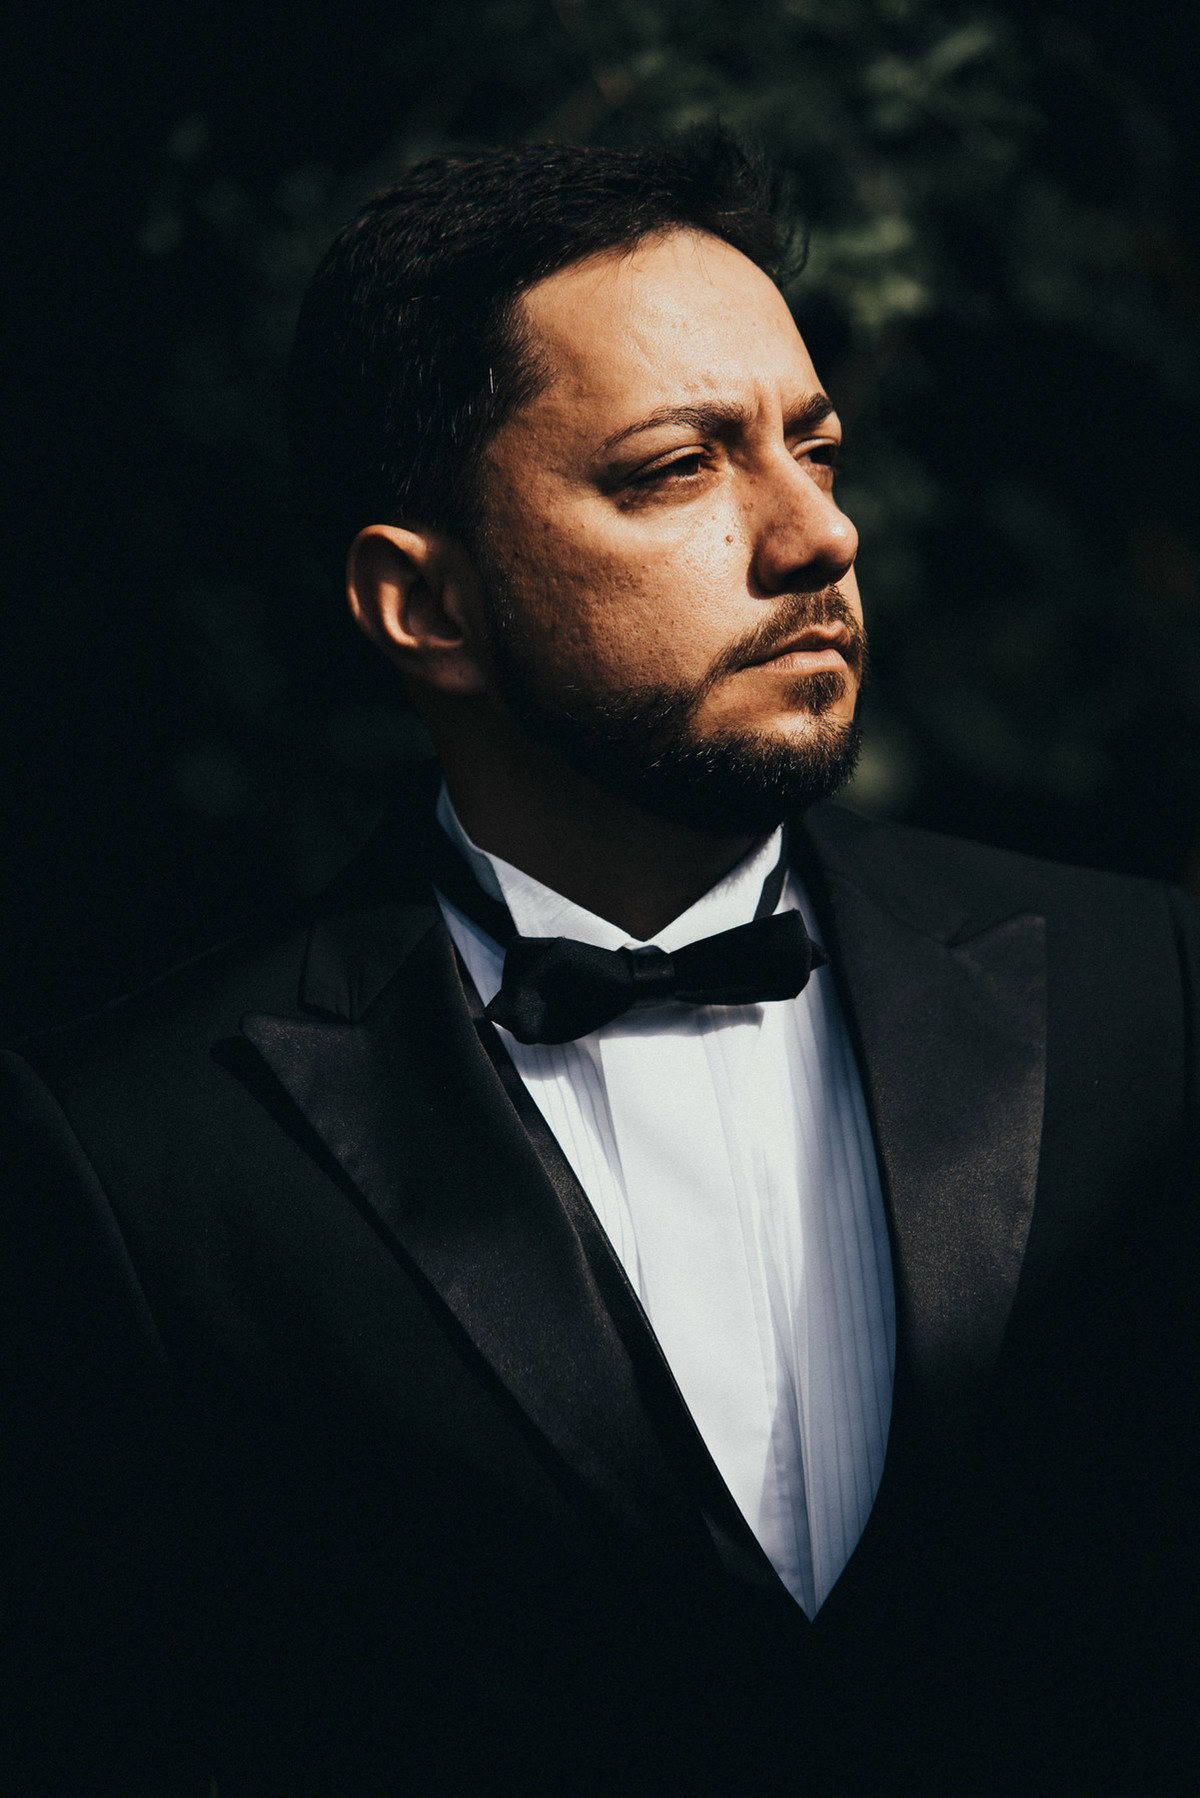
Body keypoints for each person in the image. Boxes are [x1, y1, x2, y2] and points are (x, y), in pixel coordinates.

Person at [2, 136, 1197, 1798]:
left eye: (817, 448)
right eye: (678, 469)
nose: (819, 534)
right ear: (424, 605)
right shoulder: (135, 1156)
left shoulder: (1152, 992)